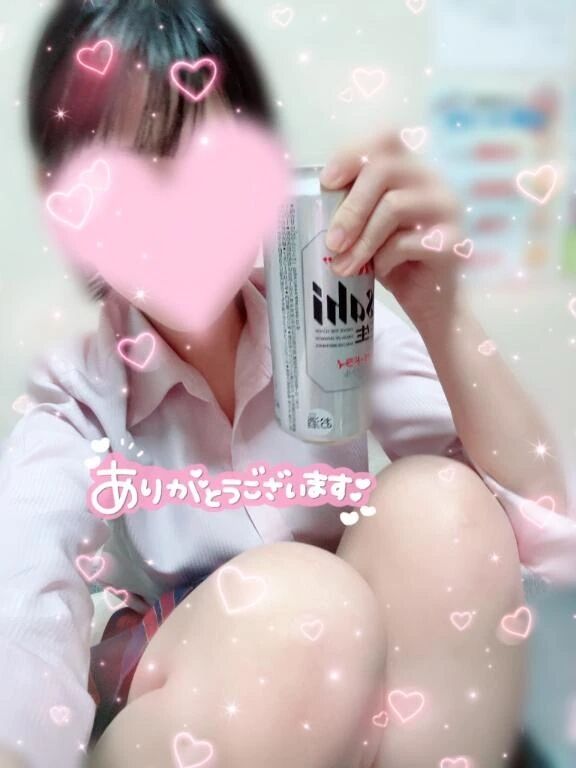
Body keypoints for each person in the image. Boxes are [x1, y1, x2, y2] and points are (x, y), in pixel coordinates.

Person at [0, 1, 574, 767]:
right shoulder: (78, 399)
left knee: (440, 504)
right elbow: (21, 622)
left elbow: (549, 546)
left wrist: (442, 312)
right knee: (299, 608)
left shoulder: (328, 313)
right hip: (194, 716)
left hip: (362, 719)